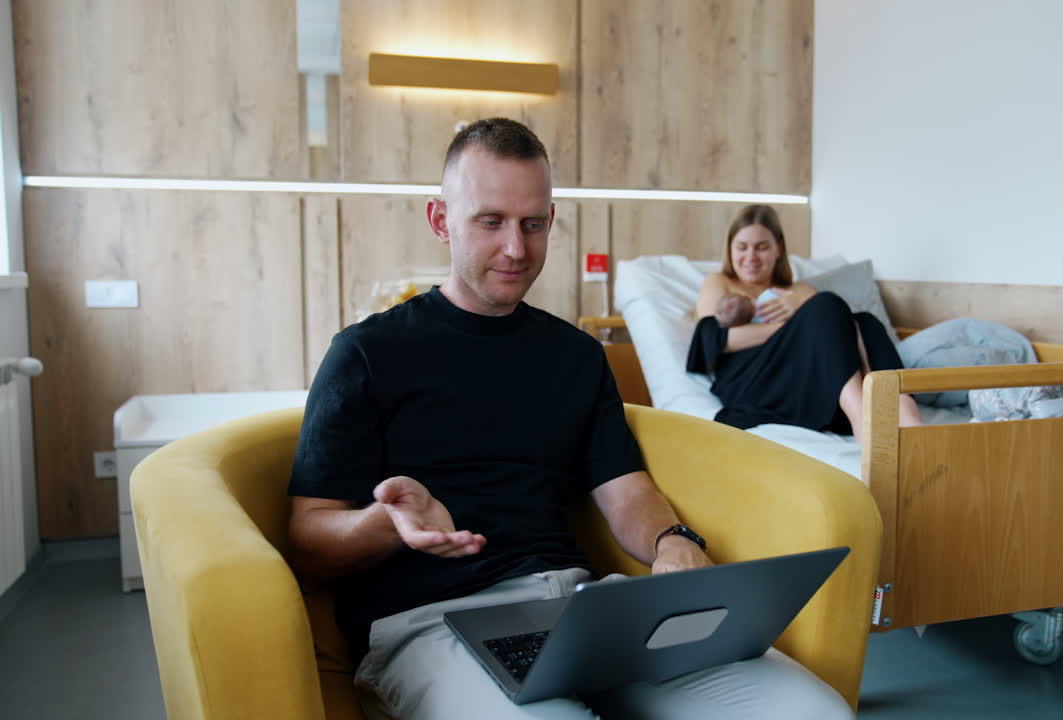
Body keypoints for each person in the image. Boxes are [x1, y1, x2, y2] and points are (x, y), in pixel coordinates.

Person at [287, 119, 853, 720]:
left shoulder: (576, 356)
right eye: (490, 221)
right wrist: (384, 524)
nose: (516, 247)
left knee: (813, 712)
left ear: (551, 221)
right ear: (440, 220)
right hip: (429, 626)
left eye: (533, 224)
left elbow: (627, 492)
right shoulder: (367, 354)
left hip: (585, 610)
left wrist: (672, 543)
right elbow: (307, 539)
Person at [689, 204, 923, 440]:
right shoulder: (719, 282)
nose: (751, 257)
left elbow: (840, 333)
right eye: (741, 247)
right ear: (730, 249)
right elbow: (712, 340)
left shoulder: (798, 291)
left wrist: (803, 314)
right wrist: (794, 328)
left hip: (804, 381)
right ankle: (861, 417)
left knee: (865, 321)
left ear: (778, 249)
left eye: (761, 248)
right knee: (826, 305)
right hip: (752, 380)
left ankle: (909, 419)